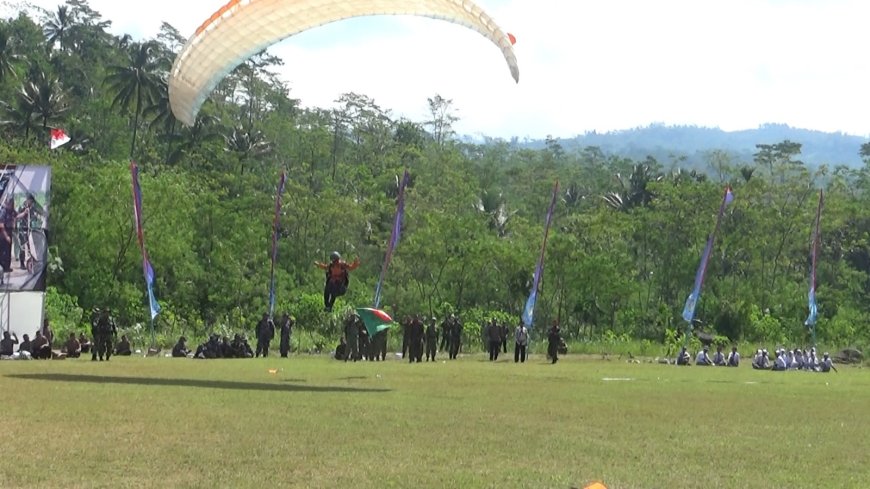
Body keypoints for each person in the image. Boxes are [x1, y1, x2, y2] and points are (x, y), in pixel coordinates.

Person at [0, 198, 16, 274]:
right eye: (11, 204)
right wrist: (6, 237)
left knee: (8, 251)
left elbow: (17, 215)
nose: (12, 206)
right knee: (4, 251)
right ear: (7, 204)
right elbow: (1, 225)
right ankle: (3, 267)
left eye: (13, 204)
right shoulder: (3, 211)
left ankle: (7, 267)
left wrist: (24, 213)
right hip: (3, 234)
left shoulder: (11, 211)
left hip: (9, 232)